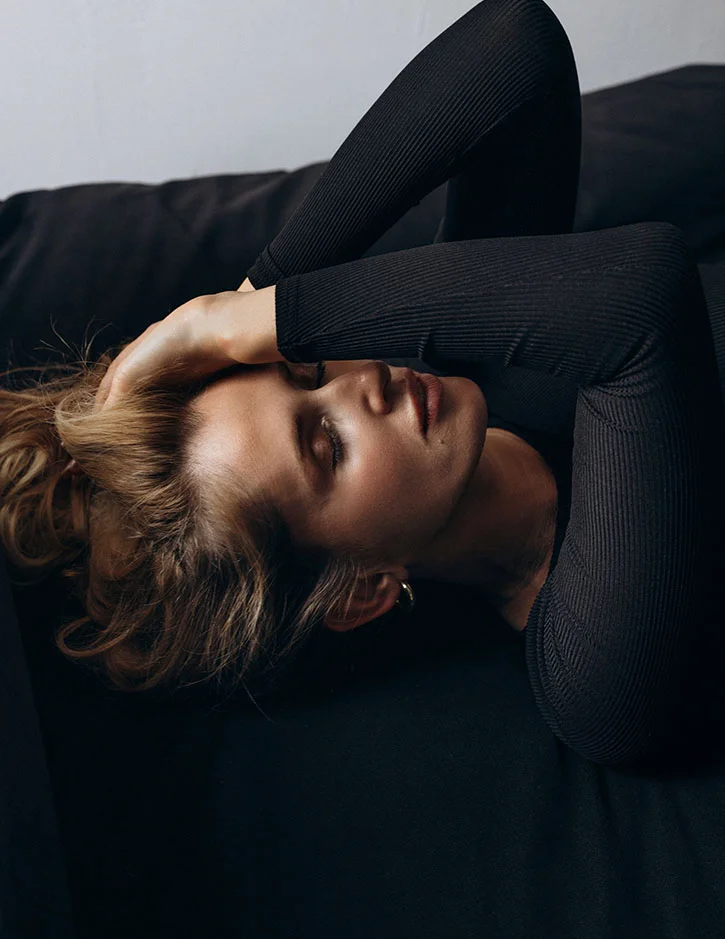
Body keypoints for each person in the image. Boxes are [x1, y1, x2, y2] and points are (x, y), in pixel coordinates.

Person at [2, 0, 725, 769]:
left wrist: (252, 297)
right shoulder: (595, 672)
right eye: (326, 445)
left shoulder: (487, 366)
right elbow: (641, 302)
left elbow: (516, 45)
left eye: (307, 371)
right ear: (360, 593)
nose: (364, 384)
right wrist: (245, 323)